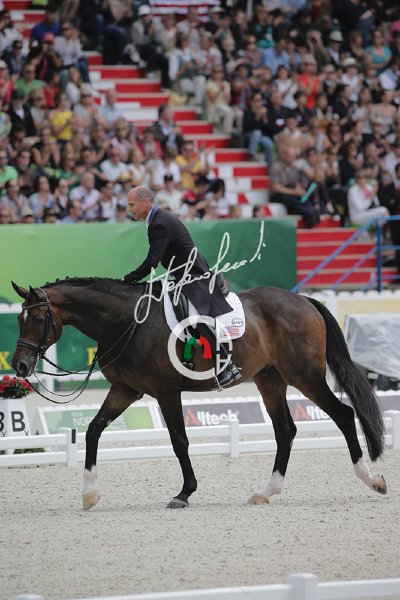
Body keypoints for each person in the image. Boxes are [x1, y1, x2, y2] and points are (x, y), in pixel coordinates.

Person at [123, 186, 241, 389]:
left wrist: (128, 279)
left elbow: (152, 262)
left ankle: (227, 365)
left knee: (194, 316)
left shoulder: (159, 223)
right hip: (180, 275)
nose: (129, 209)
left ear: (146, 202)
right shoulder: (156, 219)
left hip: (193, 275)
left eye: (132, 205)